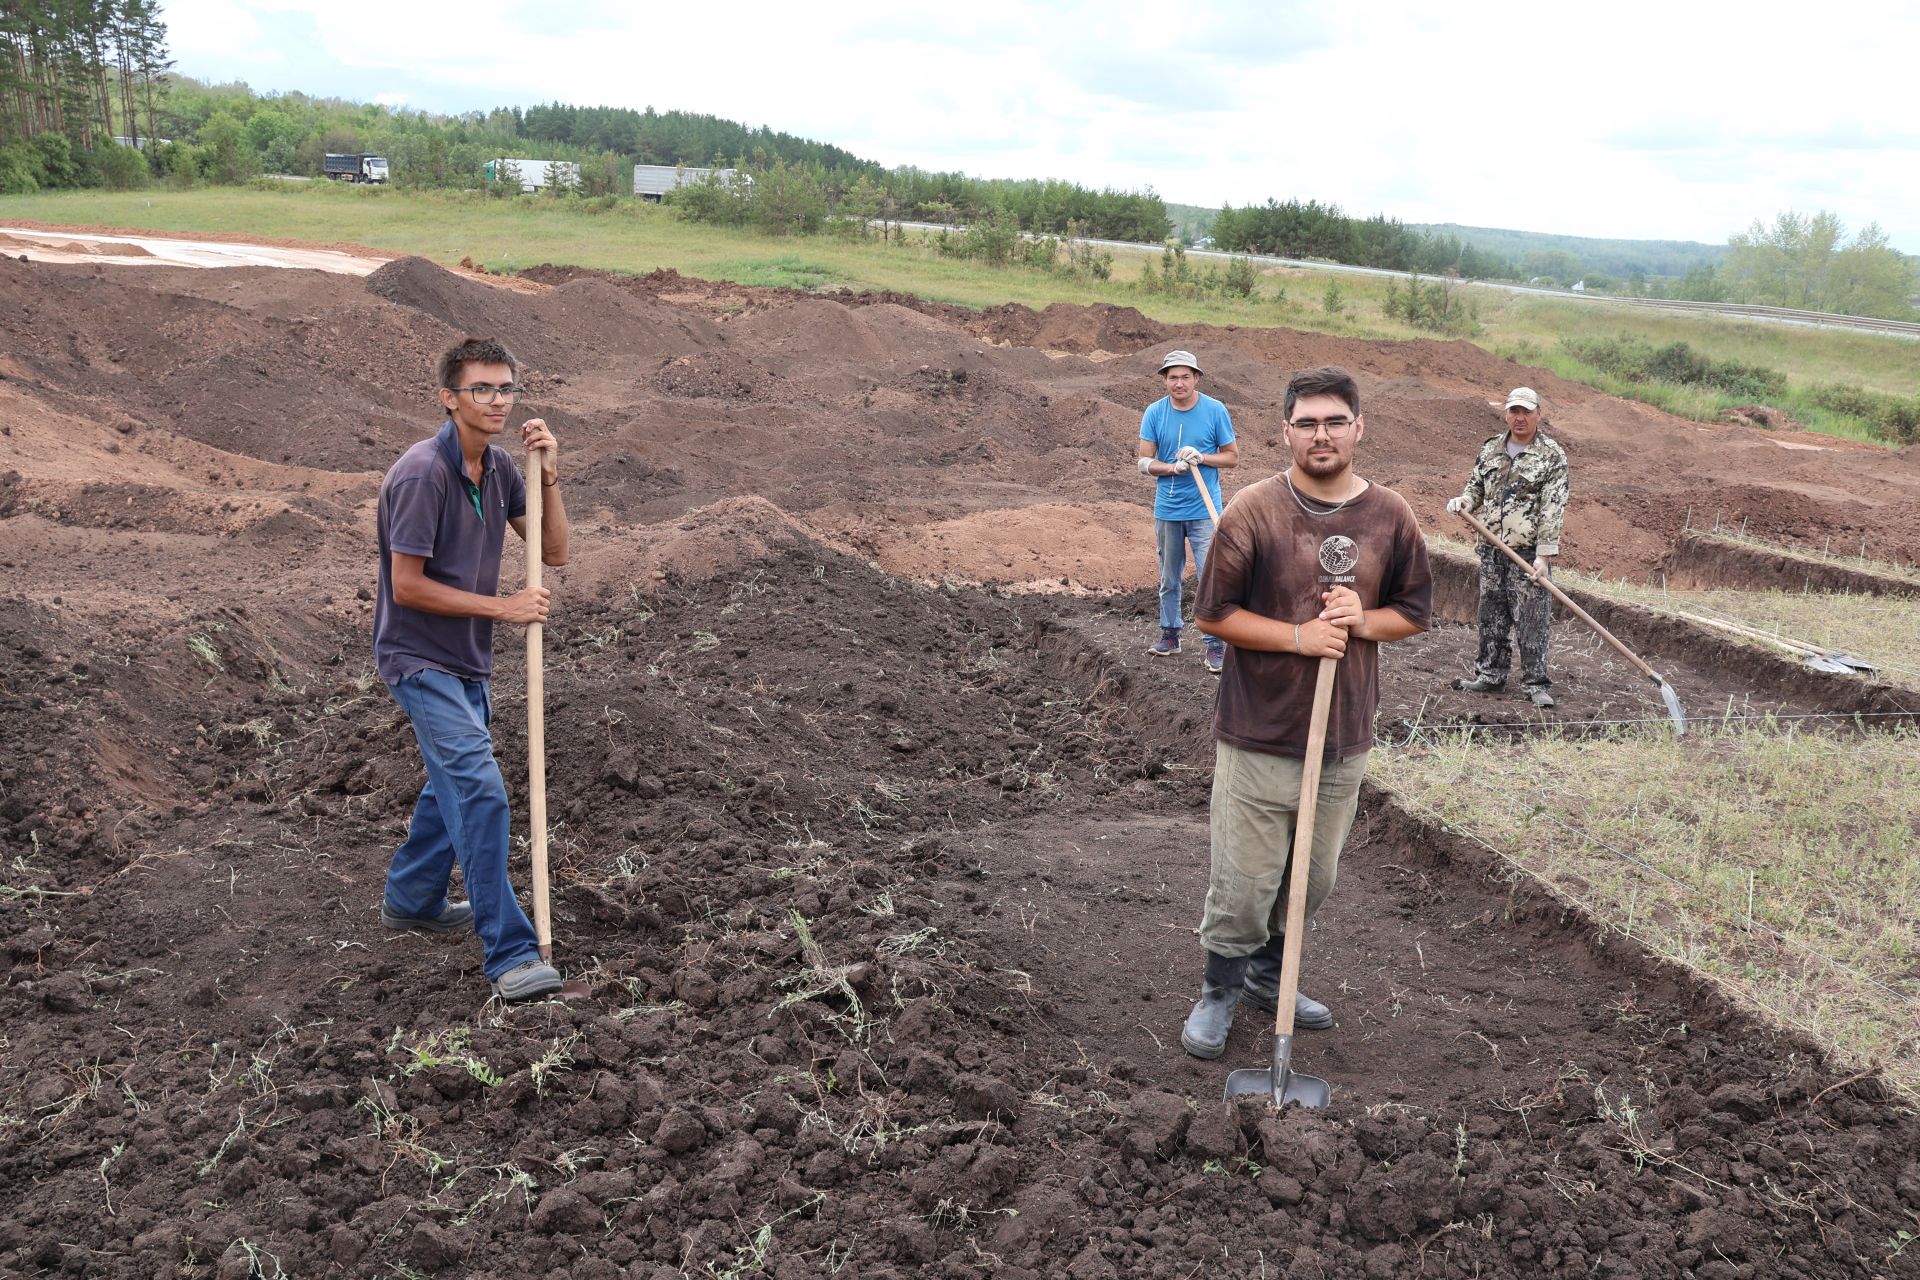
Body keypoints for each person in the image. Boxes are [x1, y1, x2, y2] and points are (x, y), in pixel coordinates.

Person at [1181, 366, 1432, 1059]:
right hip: (1261, 730)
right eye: (1307, 423)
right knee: (1244, 883)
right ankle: (1220, 990)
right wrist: (1297, 636)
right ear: (1285, 431)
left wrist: (1363, 617)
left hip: (1343, 736)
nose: (1321, 435)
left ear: (1359, 428)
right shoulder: (1255, 511)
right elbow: (1214, 613)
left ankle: (1270, 977)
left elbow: (1413, 612)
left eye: (1335, 421)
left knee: (1310, 879)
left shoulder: (1391, 516)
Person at [373, 336, 572, 1002]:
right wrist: (503, 608)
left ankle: (413, 899)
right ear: (449, 398)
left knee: (447, 789)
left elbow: (554, 552)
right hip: (417, 658)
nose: (496, 401)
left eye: (506, 388)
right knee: (480, 789)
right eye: (481, 389)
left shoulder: (503, 470)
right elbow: (407, 586)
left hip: (466, 661)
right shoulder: (422, 472)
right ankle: (512, 953)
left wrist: (546, 475)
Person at [1446, 386, 1569, 708]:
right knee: (1491, 616)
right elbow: (1476, 487)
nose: (1520, 417)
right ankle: (1490, 676)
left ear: (1538, 414)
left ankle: (1535, 684)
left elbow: (1552, 508)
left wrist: (1544, 557)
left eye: (1526, 411)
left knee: (1531, 619)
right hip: (1491, 550)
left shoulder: (1551, 456)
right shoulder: (1490, 450)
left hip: (1527, 554)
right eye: (1514, 411)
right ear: (1506, 414)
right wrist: (1465, 501)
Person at [1136, 349, 1239, 673]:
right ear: (1165, 381)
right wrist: (1170, 468)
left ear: (1196, 378)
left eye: (1184, 376)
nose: (1178, 383)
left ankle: (1215, 645)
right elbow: (1143, 461)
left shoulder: (1214, 410)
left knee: (1212, 575)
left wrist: (1202, 457)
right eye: (1172, 377)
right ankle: (1170, 634)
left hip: (1204, 510)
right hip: (1167, 510)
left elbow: (1232, 457)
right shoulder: (1155, 412)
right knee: (1169, 576)